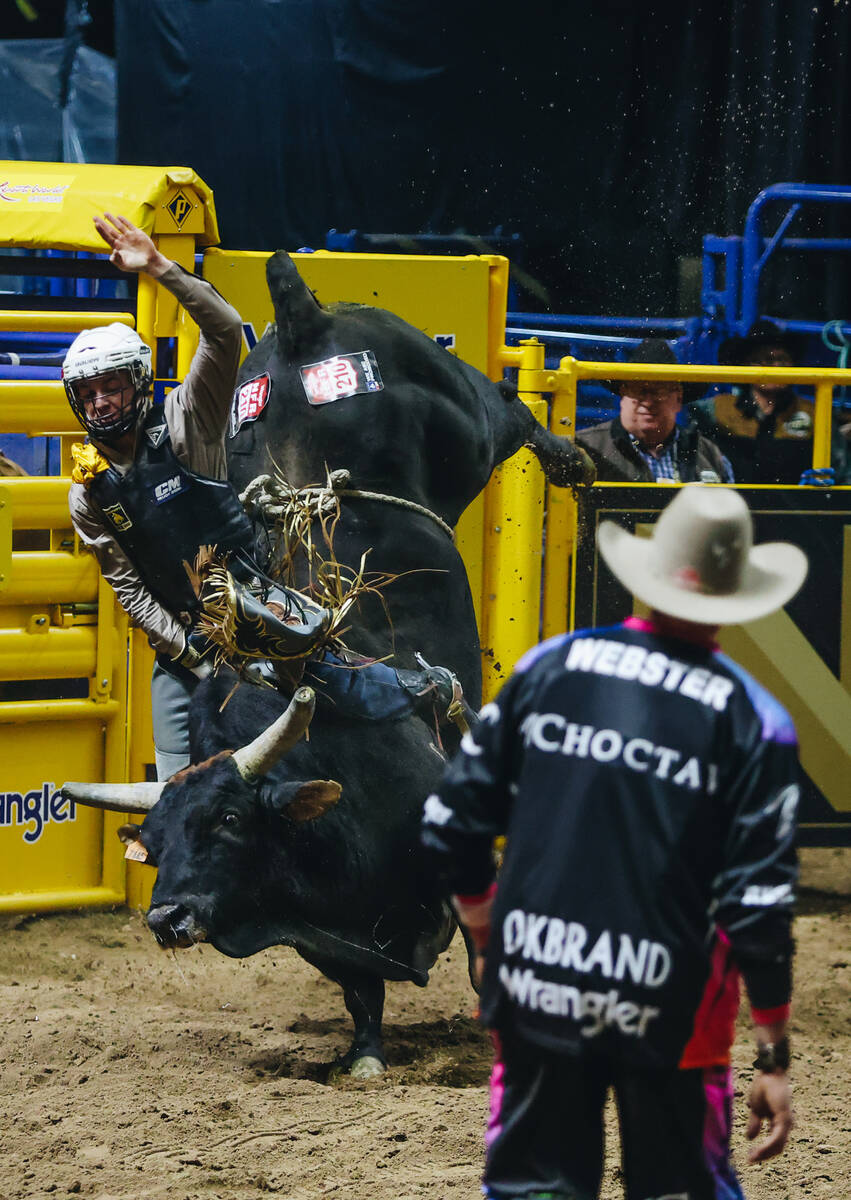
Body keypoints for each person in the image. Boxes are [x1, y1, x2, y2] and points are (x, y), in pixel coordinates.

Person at [422, 484, 807, 1200]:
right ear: (733, 598)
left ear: (648, 578)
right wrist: (772, 1054)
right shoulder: (752, 719)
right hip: (673, 1006)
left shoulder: (550, 666)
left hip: (537, 976)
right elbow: (758, 904)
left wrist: (484, 936)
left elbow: (451, 818)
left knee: (532, 1188)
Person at [65, 214, 462, 779]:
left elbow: (225, 330)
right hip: (184, 646)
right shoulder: (88, 493)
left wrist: (158, 267)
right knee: (180, 784)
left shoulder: (186, 422)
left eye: (112, 386)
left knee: (344, 691)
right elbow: (129, 589)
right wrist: (189, 653)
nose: (101, 402)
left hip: (263, 607)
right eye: (88, 392)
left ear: (139, 382)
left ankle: (426, 690)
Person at [691, 319, 851, 485]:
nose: (774, 368)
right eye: (764, 360)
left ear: (792, 364)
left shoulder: (815, 413)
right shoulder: (715, 410)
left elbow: (842, 473)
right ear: (746, 365)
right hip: (731, 506)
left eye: (781, 360)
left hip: (796, 507)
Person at [576, 338, 734, 484]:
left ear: (678, 398)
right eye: (638, 390)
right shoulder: (585, 449)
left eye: (660, 391)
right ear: (623, 395)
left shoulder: (710, 455)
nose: (648, 401)